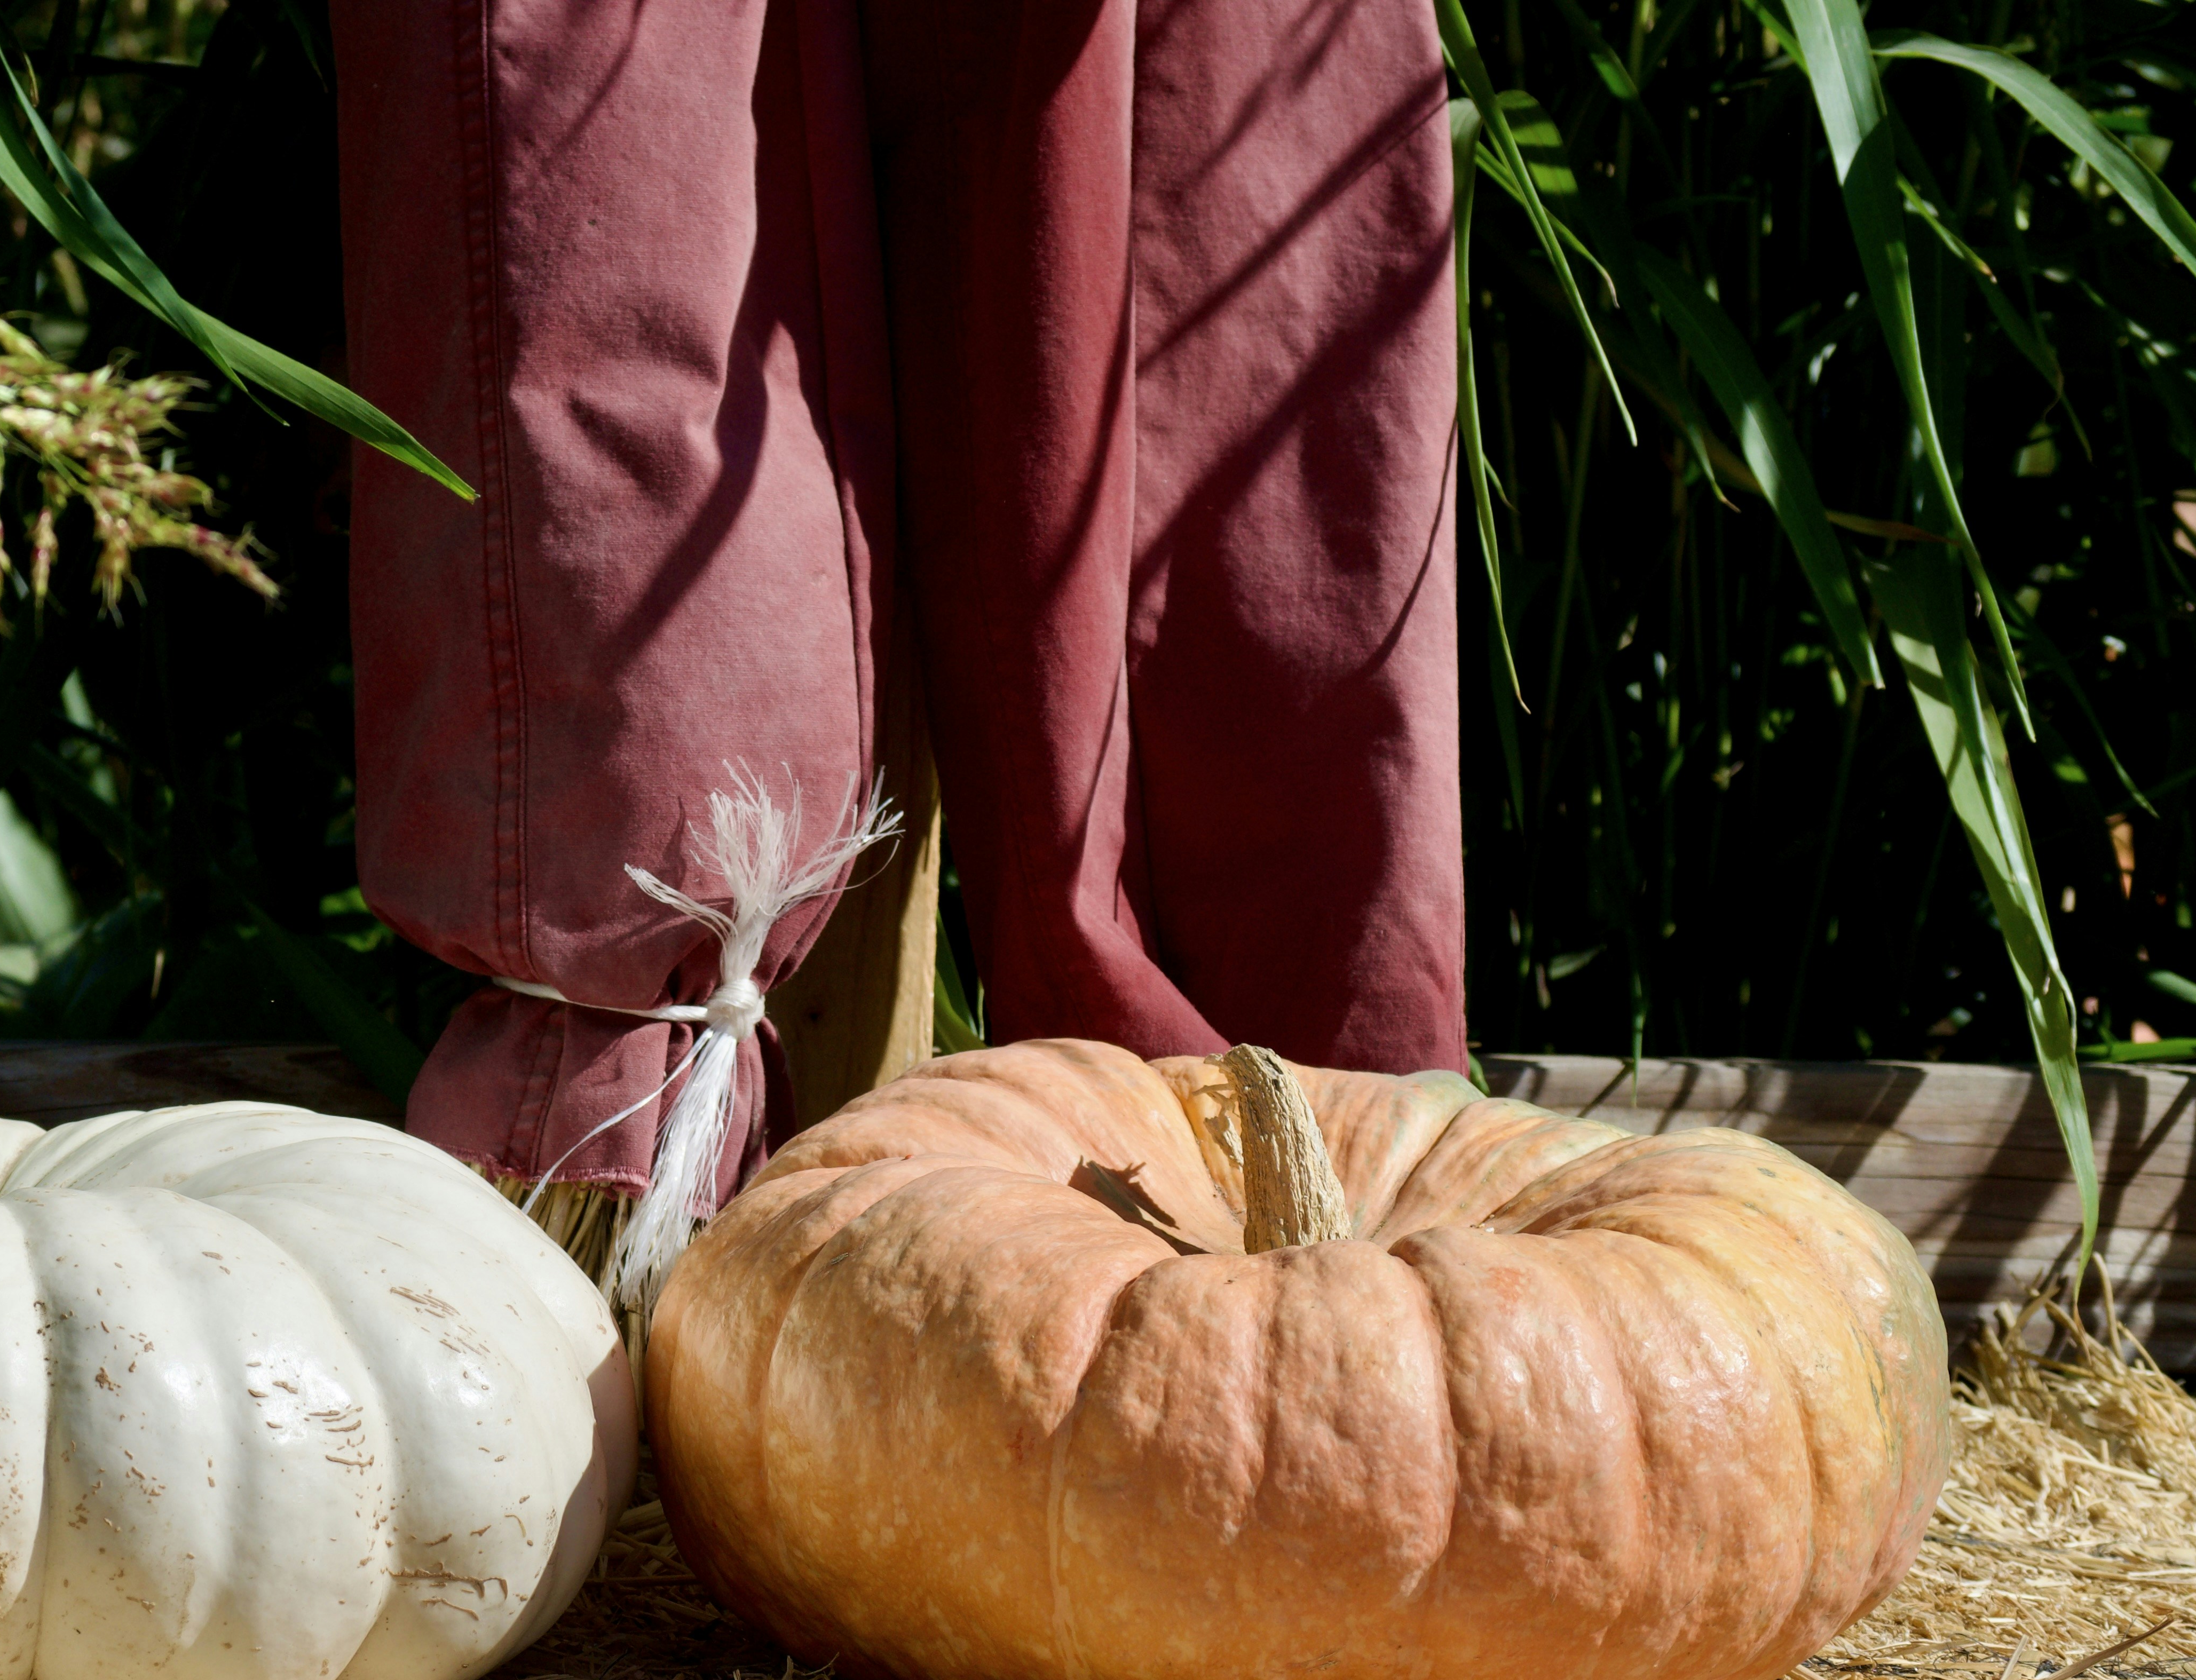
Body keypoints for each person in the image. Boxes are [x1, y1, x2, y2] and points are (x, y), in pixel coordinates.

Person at [333, 0, 1465, 1224]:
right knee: (646, 125)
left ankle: (1288, 1166)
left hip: (1267, 1240)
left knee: (1191, 137)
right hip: (663, 1074)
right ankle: (630, 1147)